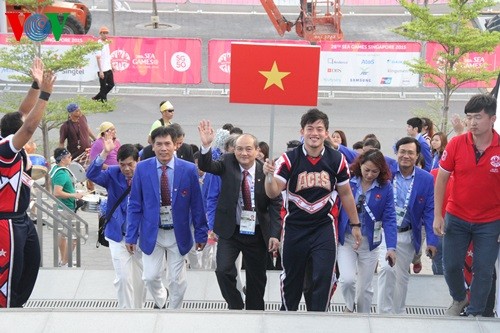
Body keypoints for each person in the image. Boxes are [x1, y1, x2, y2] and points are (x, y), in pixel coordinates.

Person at [263, 108, 362, 312]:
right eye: (310, 128)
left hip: (323, 227)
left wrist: (355, 224)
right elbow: (273, 193)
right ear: (302, 131)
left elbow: (345, 194)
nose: (314, 133)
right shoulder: (289, 159)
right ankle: (288, 318)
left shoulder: (337, 159)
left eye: (319, 129)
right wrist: (268, 176)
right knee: (292, 279)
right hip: (294, 227)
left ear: (326, 132)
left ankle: (318, 318)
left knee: (324, 276)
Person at [197, 121, 282, 310]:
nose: (244, 153)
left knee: (256, 279)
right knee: (223, 270)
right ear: (233, 150)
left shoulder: (265, 171)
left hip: (257, 233)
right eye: (239, 149)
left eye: (248, 149)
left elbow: (276, 203)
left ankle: (254, 313)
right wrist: (205, 146)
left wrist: (275, 234)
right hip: (231, 231)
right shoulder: (227, 163)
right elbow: (207, 165)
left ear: (257, 150)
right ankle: (235, 305)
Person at [125, 126, 207, 310]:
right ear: (152, 146)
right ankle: (162, 300)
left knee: (177, 280)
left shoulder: (188, 169)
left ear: (175, 145)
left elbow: (197, 204)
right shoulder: (143, 169)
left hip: (178, 233)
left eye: (167, 144)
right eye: (159, 144)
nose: (163, 148)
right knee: (150, 276)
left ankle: (173, 313)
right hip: (151, 232)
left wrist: (201, 233)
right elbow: (135, 204)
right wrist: (130, 236)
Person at [433, 94, 500, 317]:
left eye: (478, 117)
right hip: (457, 215)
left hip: (490, 221)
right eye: (469, 117)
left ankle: (476, 312)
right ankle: (460, 298)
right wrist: (437, 215)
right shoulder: (456, 144)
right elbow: (441, 179)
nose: (472, 122)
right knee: (450, 265)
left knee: (484, 270)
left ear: (492, 119)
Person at [0, 58, 54, 308]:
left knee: (31, 264)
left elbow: (23, 114)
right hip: (7, 221)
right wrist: (45, 93)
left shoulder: (8, 135)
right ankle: (8, 310)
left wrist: (35, 83)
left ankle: (17, 305)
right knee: (9, 277)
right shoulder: (6, 149)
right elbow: (30, 125)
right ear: (15, 135)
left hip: (22, 218)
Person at [377, 137, 437, 315]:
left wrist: (432, 241)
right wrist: (336, 146)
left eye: (410, 152)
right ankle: (383, 315)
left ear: (417, 155)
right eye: (402, 151)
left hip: (408, 235)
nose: (406, 156)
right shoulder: (386, 168)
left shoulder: (425, 179)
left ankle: (398, 314)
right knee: (387, 270)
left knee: (401, 277)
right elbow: (363, 154)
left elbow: (429, 211)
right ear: (396, 152)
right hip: (385, 232)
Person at [86, 136, 145, 309]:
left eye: (130, 164)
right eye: (122, 164)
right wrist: (104, 153)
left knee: (141, 279)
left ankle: (139, 312)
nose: (126, 169)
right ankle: (125, 313)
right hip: (117, 235)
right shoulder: (113, 173)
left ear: (137, 161)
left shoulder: (146, 174)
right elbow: (91, 174)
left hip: (140, 235)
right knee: (123, 278)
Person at [337, 149, 397, 313]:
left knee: (364, 288)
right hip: (347, 240)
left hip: (369, 243)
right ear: (360, 165)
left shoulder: (385, 187)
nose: (370, 175)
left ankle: (363, 317)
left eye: (375, 171)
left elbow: (390, 217)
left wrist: (391, 247)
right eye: (367, 170)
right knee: (347, 280)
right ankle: (349, 308)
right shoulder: (348, 181)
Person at [49, 148, 84, 267]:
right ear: (63, 159)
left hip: (62, 207)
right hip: (67, 208)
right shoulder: (61, 174)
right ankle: (65, 261)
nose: (71, 158)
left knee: (63, 234)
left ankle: (63, 259)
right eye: (69, 157)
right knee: (75, 237)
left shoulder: (55, 169)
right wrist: (74, 195)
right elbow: (57, 192)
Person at [93, 26, 115, 102]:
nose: (106, 35)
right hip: (102, 69)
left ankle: (98, 97)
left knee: (111, 84)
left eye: (107, 33)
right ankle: (103, 102)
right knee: (103, 87)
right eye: (104, 33)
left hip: (108, 68)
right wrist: (101, 71)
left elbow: (108, 56)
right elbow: (98, 58)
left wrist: (112, 65)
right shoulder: (99, 44)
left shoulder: (106, 42)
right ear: (101, 34)